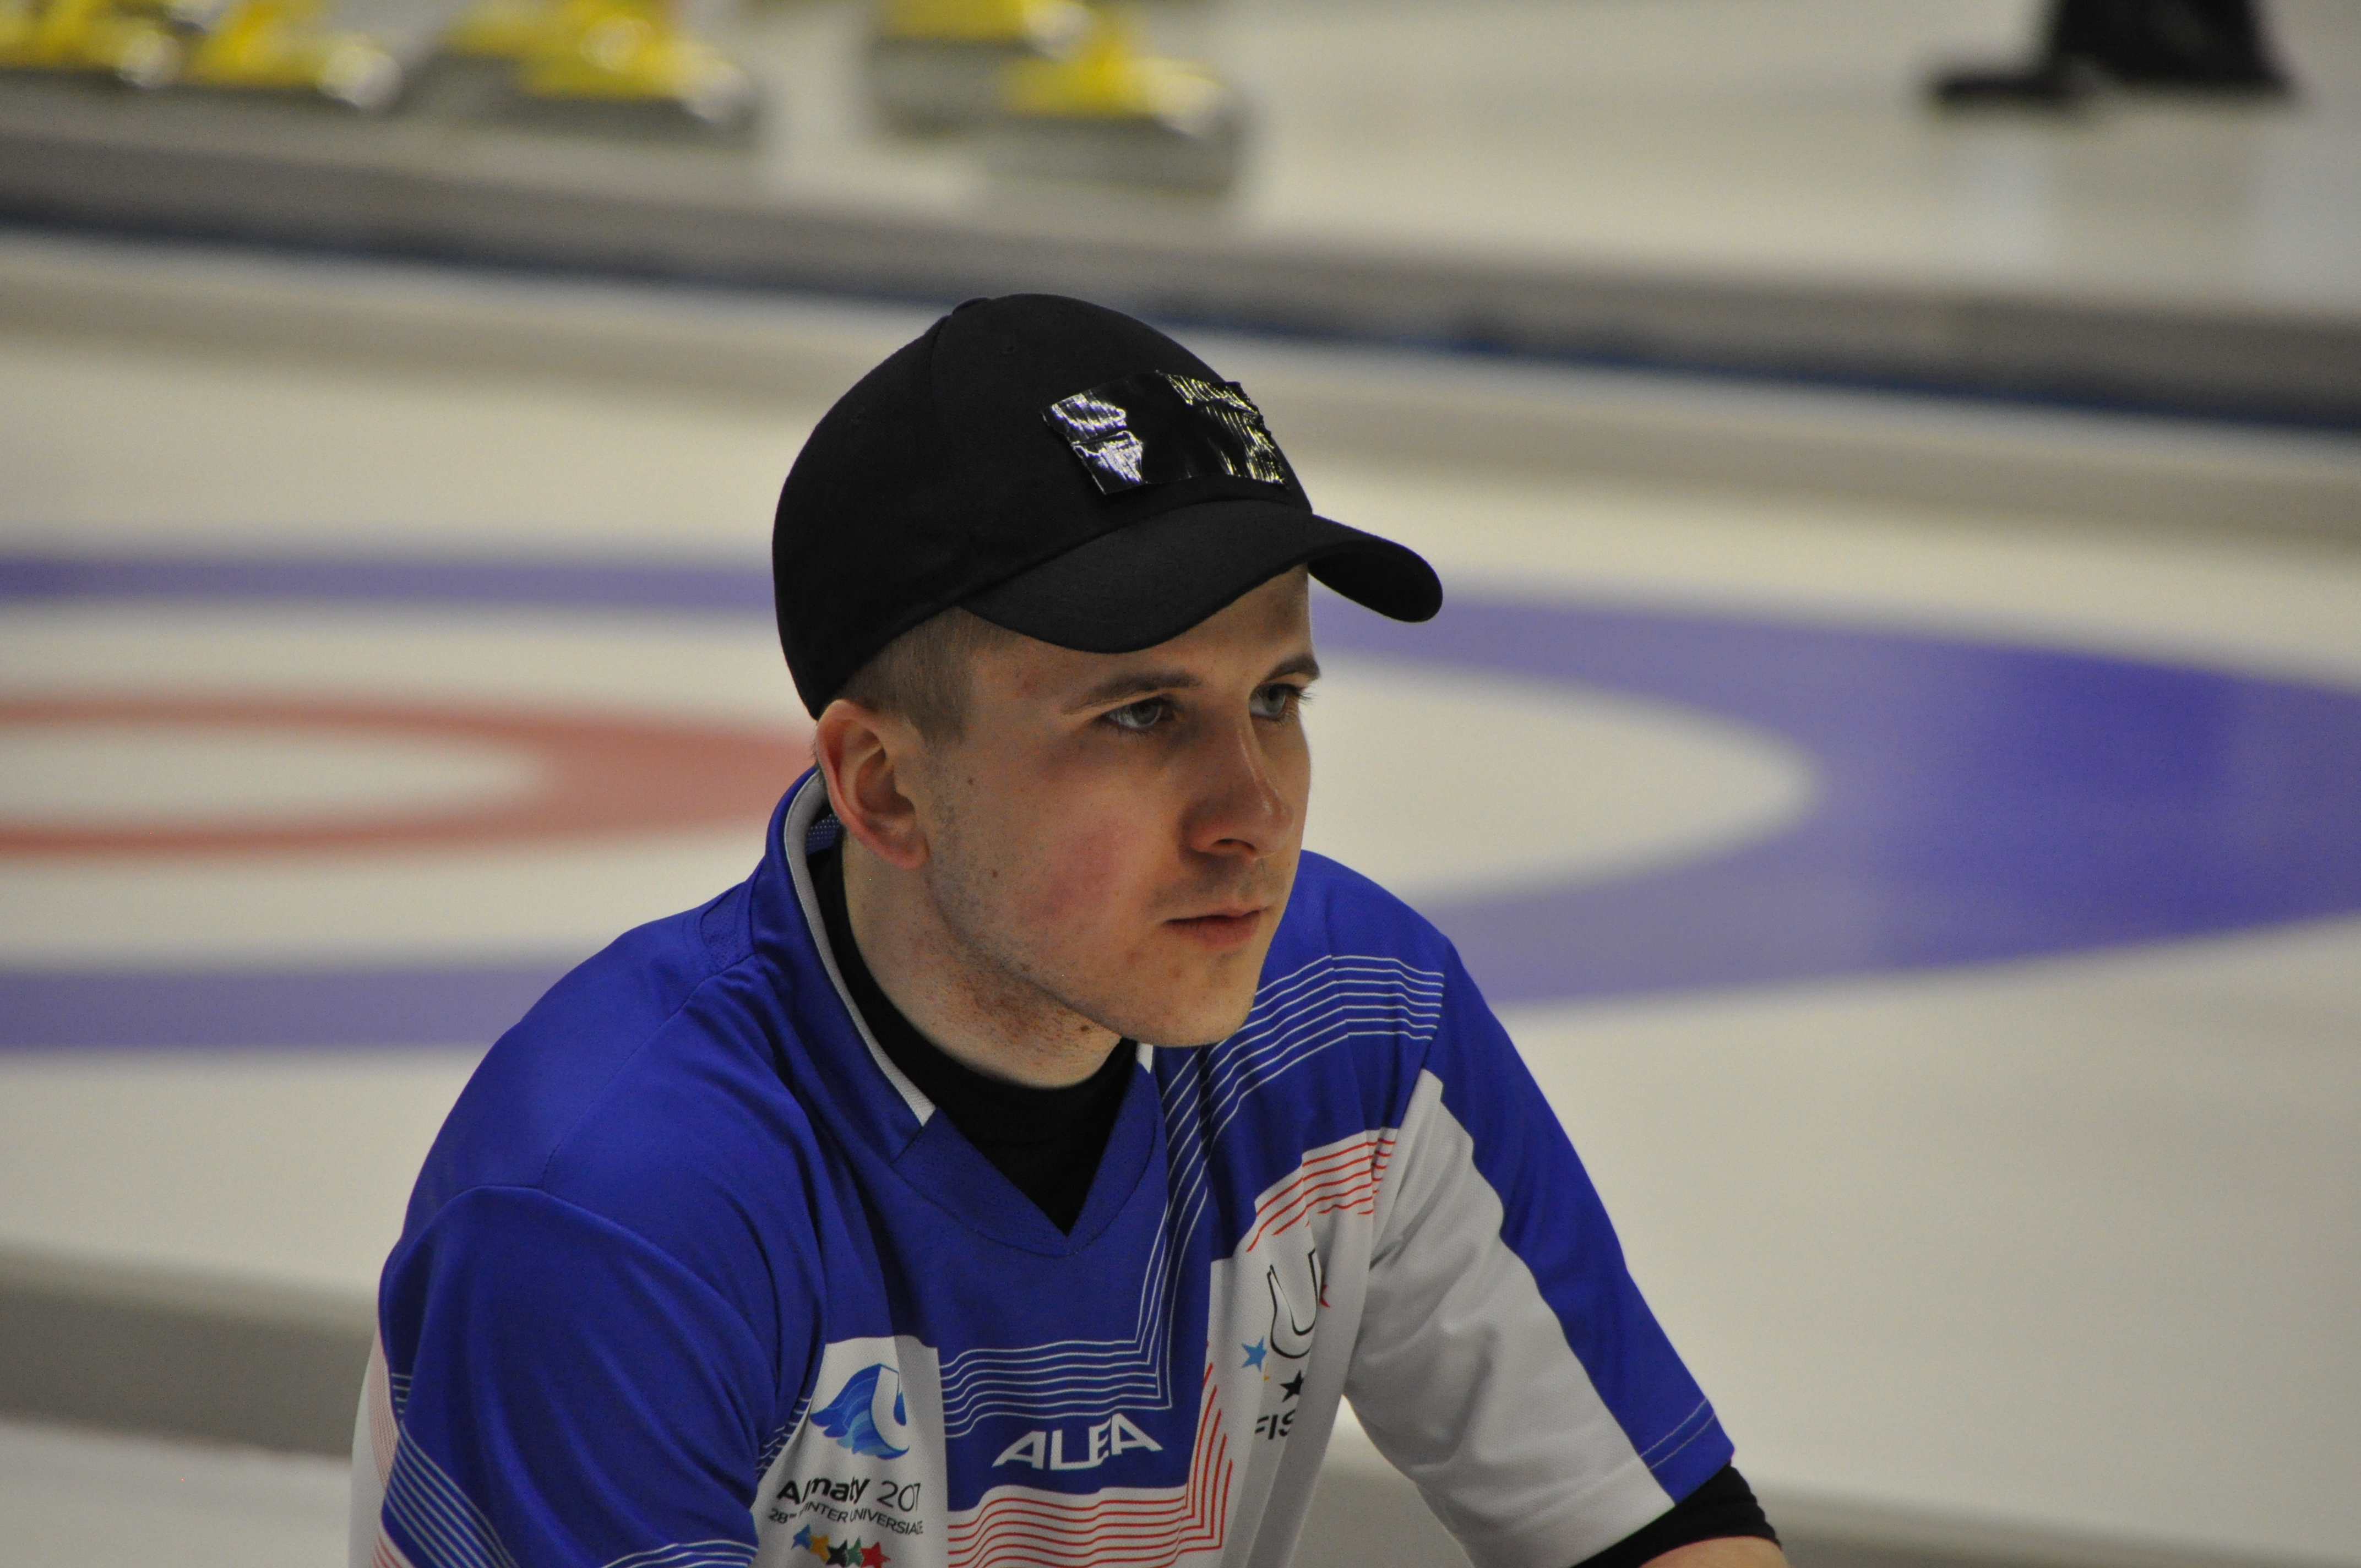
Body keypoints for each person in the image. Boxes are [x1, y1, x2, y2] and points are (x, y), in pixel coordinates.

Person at [349, 295, 1785, 1568]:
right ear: (884, 785)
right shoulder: (613, 1210)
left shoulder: (1356, 1015)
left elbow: (1658, 1532)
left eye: (1278, 699)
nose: (1254, 814)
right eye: (1143, 715)